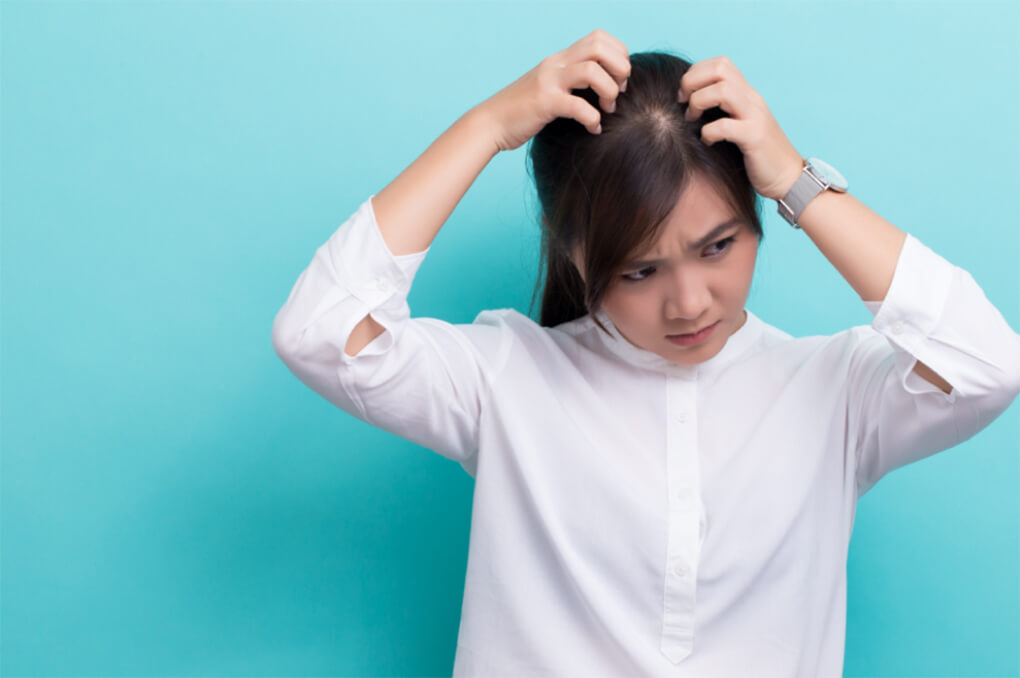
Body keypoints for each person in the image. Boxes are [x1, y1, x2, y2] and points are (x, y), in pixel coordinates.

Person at [271, 29, 1020, 678]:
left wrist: (798, 182)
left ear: (762, 217)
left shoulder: (834, 391)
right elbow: (320, 333)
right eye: (639, 270)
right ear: (575, 254)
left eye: (718, 246)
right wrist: (489, 126)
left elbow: (989, 365)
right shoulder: (505, 378)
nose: (689, 302)